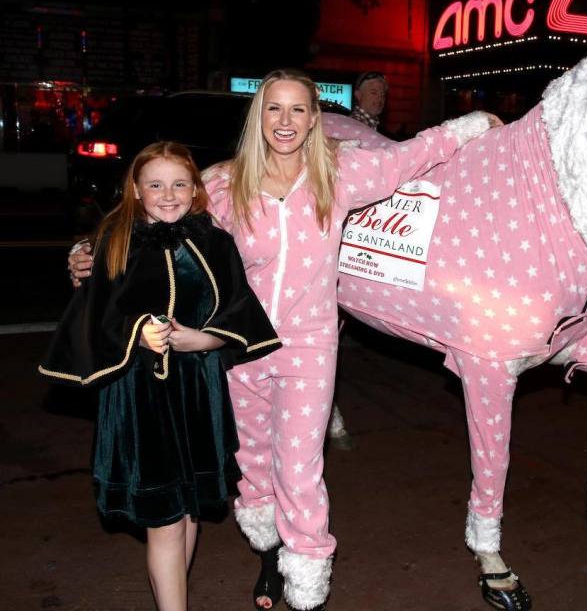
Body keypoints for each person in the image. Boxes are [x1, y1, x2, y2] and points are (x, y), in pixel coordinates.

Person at [69, 69, 497, 611]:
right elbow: (158, 214)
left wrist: (473, 125)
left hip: (309, 348)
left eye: (298, 109)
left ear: (315, 119)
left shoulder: (339, 174)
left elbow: (410, 155)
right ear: (259, 117)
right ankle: (272, 555)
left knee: (299, 469)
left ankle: (308, 580)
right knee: (253, 463)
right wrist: (89, 252)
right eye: (275, 109)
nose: (286, 121)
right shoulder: (225, 183)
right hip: (240, 347)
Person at [40, 142, 282, 611]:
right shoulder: (113, 241)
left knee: (189, 511)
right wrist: (137, 335)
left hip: (199, 392)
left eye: (178, 184)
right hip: (140, 398)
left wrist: (203, 340)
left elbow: (239, 312)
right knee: (166, 520)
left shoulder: (214, 240)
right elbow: (92, 319)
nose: (167, 194)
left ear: (195, 189)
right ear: (135, 189)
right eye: (154, 184)